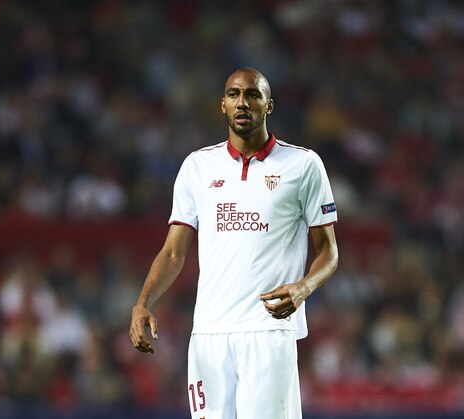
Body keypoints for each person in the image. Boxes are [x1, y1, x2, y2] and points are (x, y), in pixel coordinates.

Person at [129, 67, 339, 418]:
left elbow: (329, 251)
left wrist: (304, 288)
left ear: (268, 105)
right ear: (222, 105)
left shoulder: (303, 165)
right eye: (234, 94)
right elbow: (173, 251)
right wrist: (143, 301)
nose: (242, 102)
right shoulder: (197, 166)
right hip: (209, 333)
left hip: (268, 330)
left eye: (253, 95)